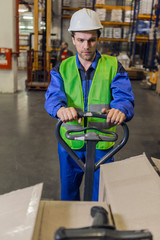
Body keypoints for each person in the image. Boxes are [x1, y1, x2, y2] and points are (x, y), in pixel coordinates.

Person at [45, 8, 134, 201]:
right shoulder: (62, 68)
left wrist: (121, 109)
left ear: (98, 39)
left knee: (100, 194)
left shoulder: (113, 66)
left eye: (91, 40)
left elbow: (124, 97)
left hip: (102, 141)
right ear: (73, 39)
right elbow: (52, 97)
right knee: (69, 193)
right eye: (81, 40)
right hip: (70, 141)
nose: (86, 46)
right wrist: (60, 109)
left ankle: (96, 226)